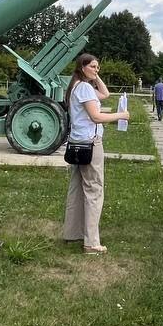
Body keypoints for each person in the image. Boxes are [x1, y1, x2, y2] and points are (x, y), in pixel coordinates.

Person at [62, 53, 129, 255]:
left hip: (76, 143)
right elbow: (96, 116)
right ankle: (91, 243)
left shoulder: (78, 86)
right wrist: (121, 115)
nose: (96, 70)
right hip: (90, 144)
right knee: (94, 190)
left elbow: (105, 94)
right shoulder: (84, 88)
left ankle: (72, 233)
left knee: (77, 188)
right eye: (92, 66)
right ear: (82, 67)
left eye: (98, 67)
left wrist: (94, 75)